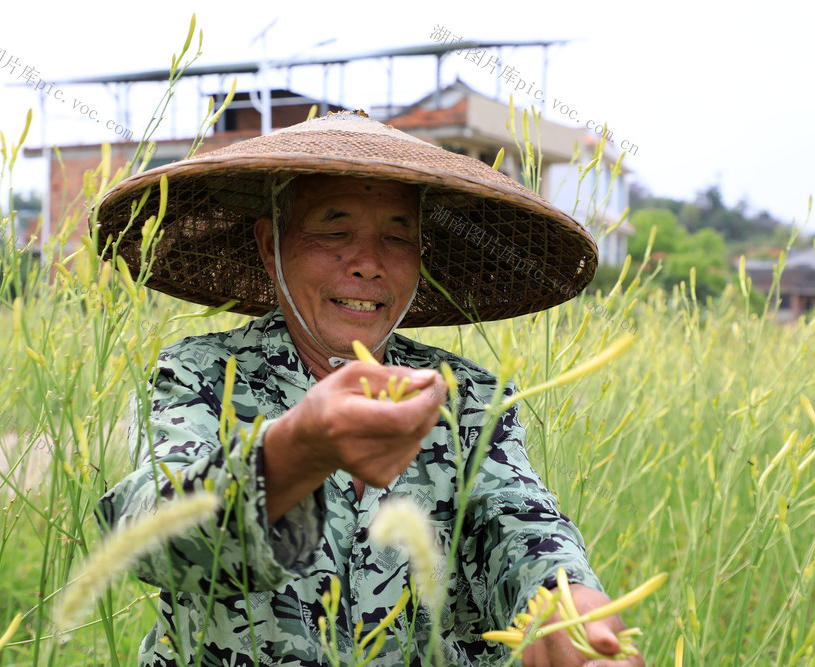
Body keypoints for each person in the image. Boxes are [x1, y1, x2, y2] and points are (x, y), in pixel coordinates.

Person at [93, 111, 641, 666]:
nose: (368, 264)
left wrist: (561, 594)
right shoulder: (199, 373)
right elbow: (149, 536)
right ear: (270, 246)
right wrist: (296, 450)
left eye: (398, 235)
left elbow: (513, 518)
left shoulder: (467, 395)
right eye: (333, 230)